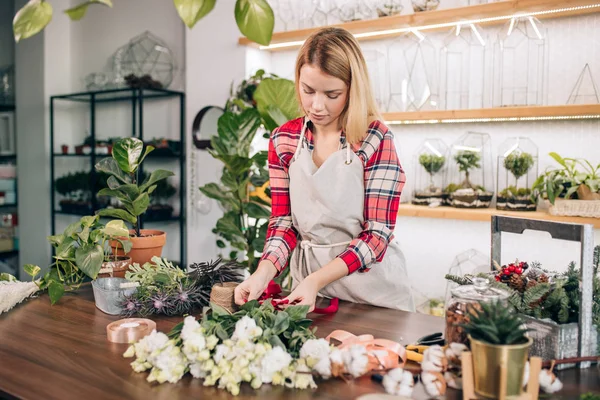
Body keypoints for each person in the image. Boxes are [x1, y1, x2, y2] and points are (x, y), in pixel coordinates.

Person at [234, 27, 414, 312]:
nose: (316, 106)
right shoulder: (284, 140)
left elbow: (377, 236)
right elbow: (284, 224)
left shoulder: (375, 139)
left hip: (374, 296)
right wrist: (262, 273)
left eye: (332, 94)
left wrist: (316, 280)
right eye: (308, 91)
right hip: (308, 295)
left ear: (352, 89)